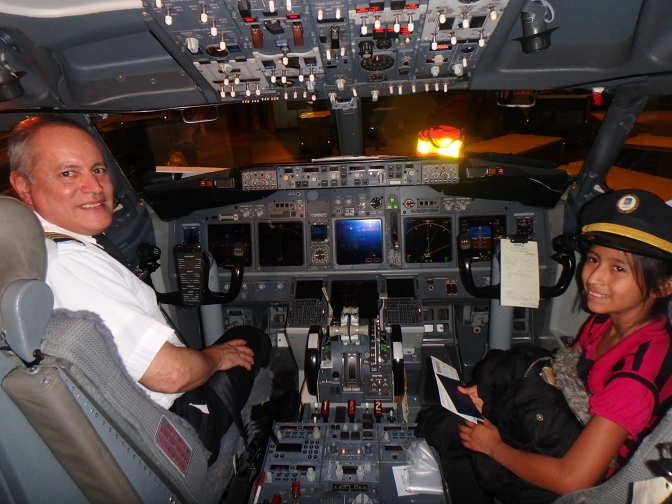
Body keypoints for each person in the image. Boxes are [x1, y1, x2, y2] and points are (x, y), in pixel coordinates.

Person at [8, 115, 271, 464]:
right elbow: (171, 374)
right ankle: (257, 434)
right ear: (23, 187)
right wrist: (217, 356)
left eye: (99, 170)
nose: (95, 187)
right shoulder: (66, 263)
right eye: (68, 173)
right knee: (252, 339)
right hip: (168, 424)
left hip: (118, 418)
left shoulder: (30, 254)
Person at [423, 188, 672, 504]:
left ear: (665, 285)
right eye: (594, 259)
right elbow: (563, 371)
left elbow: (573, 480)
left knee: (451, 435)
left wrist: (495, 447)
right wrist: (490, 393)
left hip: (589, 480)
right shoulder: (607, 322)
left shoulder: (635, 378)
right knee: (483, 385)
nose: (593, 278)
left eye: (618, 268)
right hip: (567, 422)